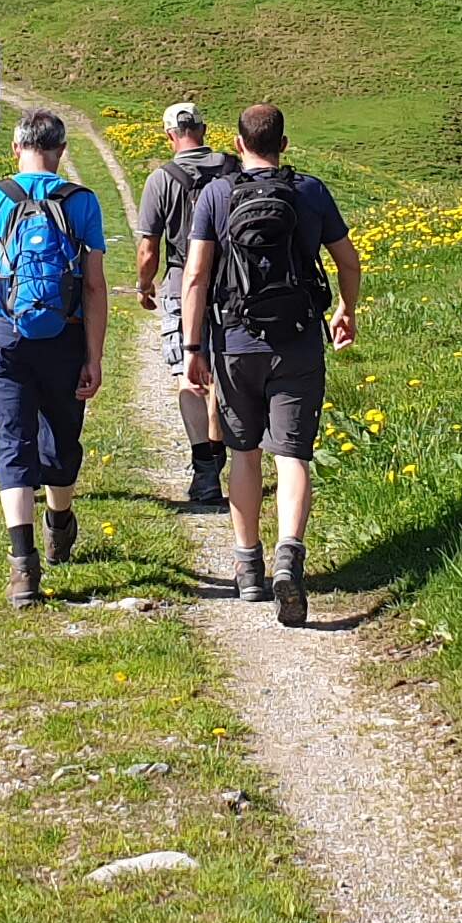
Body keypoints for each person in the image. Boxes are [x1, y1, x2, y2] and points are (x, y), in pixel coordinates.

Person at [182, 102, 361, 627]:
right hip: (300, 339)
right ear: (285, 143)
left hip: (236, 342)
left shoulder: (216, 194)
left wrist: (193, 349)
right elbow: (347, 260)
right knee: (292, 455)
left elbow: (194, 277)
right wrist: (346, 310)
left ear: (237, 145)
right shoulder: (309, 191)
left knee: (243, 454)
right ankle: (290, 556)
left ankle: (249, 570)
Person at [0, 109, 110, 607]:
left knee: (12, 442)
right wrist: (94, 355)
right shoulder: (81, 201)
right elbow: (93, 285)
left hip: (6, 335)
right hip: (65, 336)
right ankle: (59, 523)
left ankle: (23, 568)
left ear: (15, 148)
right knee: (61, 439)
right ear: (61, 151)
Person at [132, 100, 237, 508]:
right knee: (220, 372)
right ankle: (220, 446)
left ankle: (205, 469)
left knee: (189, 373)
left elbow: (147, 248)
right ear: (205, 129)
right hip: (230, 282)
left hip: (180, 283)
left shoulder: (162, 179)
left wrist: (144, 286)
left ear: (169, 136)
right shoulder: (232, 168)